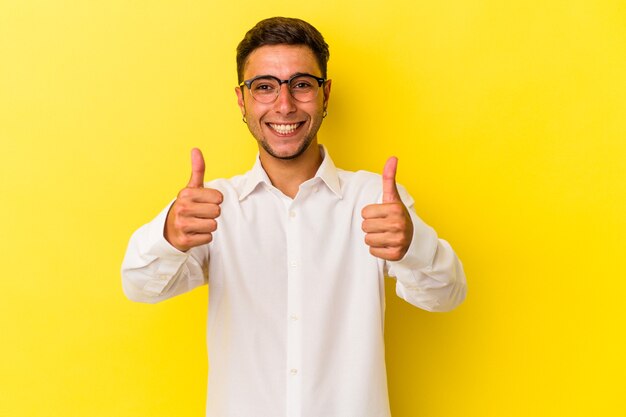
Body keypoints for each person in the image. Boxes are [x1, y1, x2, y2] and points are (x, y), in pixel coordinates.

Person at [122, 16, 467, 417]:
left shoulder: (374, 201)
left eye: (301, 84)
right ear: (241, 99)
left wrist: (412, 247)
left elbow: (447, 295)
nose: (284, 105)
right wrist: (169, 235)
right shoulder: (211, 207)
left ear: (325, 94)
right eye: (264, 87)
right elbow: (139, 286)